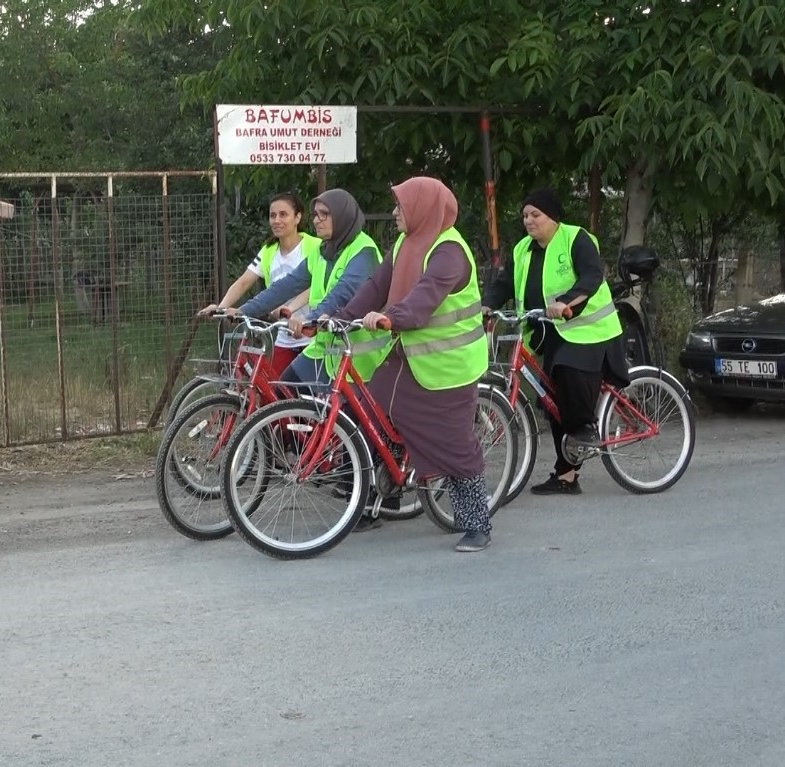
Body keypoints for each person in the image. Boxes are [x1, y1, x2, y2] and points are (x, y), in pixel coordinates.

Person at [338, 176, 494, 552]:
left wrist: (393, 316)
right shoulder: (407, 245)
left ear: (423, 208)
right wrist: (341, 316)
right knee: (371, 410)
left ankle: (477, 523)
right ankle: (382, 491)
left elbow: (426, 296)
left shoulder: (449, 251)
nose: (394, 213)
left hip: (448, 367)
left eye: (400, 207)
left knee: (454, 445)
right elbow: (375, 286)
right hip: (409, 356)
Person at [483, 188, 627, 495]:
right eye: (525, 215)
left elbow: (591, 275)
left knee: (567, 371)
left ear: (553, 217)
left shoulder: (575, 238)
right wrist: (487, 305)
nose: (529, 221)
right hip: (547, 331)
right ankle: (566, 476)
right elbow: (505, 282)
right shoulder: (523, 249)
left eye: (536, 215)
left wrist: (566, 302)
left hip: (588, 330)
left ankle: (586, 428)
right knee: (552, 401)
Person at [235, 188, 383, 389]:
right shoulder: (323, 250)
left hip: (359, 357)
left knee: (337, 417)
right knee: (283, 394)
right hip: (325, 349)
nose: (316, 220)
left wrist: (310, 319)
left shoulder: (363, 250)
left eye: (325, 214)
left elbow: (343, 293)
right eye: (315, 214)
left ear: (342, 215)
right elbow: (285, 286)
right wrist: (241, 311)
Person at [201, 192, 319, 377]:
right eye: (272, 216)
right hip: (284, 335)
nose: (276, 220)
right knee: (277, 395)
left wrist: (287, 308)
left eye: (283, 214)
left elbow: (319, 285)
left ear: (298, 217)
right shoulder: (268, 250)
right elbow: (244, 281)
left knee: (308, 398)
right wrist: (221, 308)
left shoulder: (315, 246)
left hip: (314, 334)